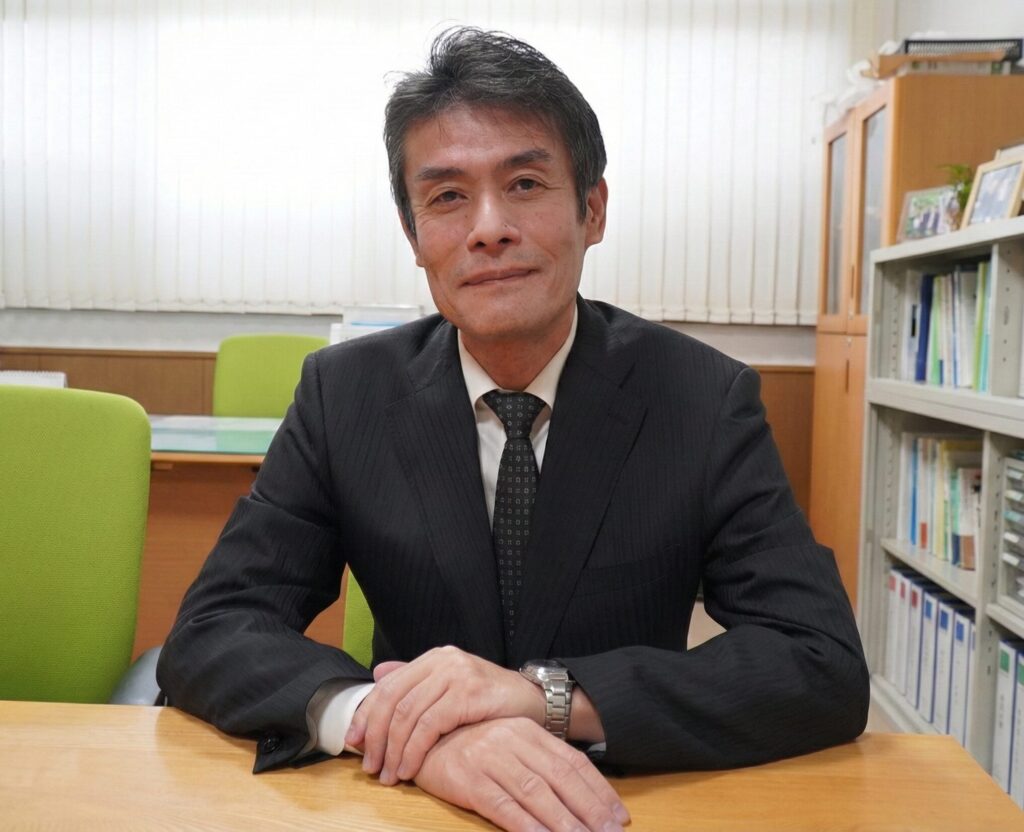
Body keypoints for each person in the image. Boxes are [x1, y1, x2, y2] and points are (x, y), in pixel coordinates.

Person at [157, 26, 869, 832]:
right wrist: (398, 726)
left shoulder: (702, 400)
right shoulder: (343, 395)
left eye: (525, 183)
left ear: (592, 209)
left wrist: (544, 699)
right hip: (407, 804)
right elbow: (211, 631)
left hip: (615, 803)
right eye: (447, 197)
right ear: (414, 235)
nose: (488, 228)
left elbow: (819, 661)